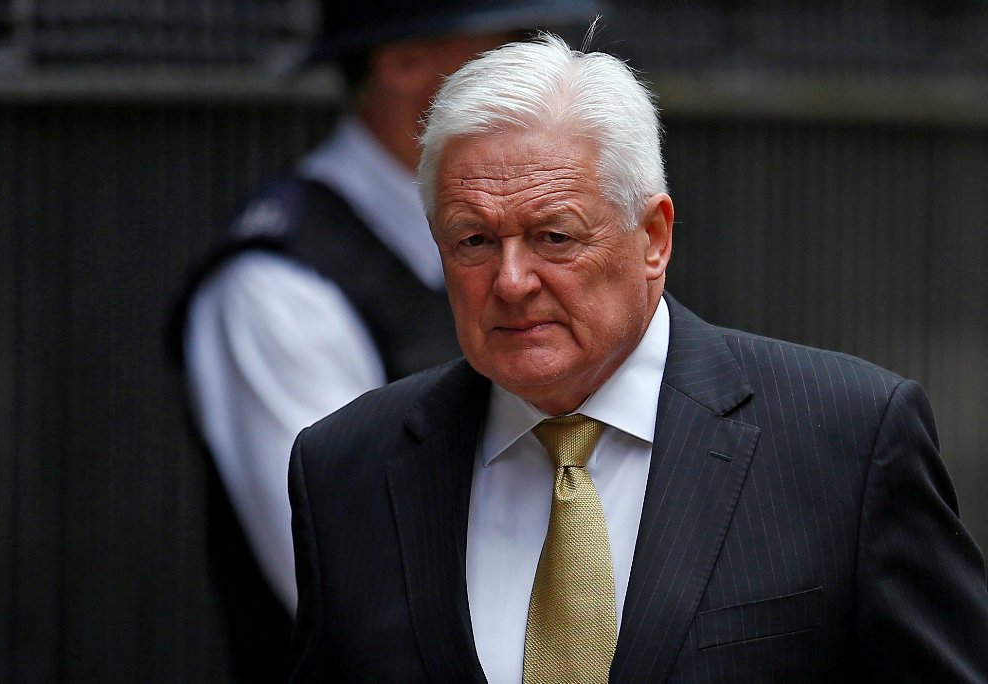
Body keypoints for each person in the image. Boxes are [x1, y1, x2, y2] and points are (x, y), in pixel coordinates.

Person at [287, 34, 988, 683]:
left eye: (554, 236)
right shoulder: (348, 467)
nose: (509, 281)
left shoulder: (846, 440)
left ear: (653, 237)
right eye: (473, 241)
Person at [171, 1, 599, 678]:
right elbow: (364, 593)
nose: (548, 65)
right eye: (515, 41)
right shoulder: (279, 288)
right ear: (401, 60)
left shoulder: (553, 244)